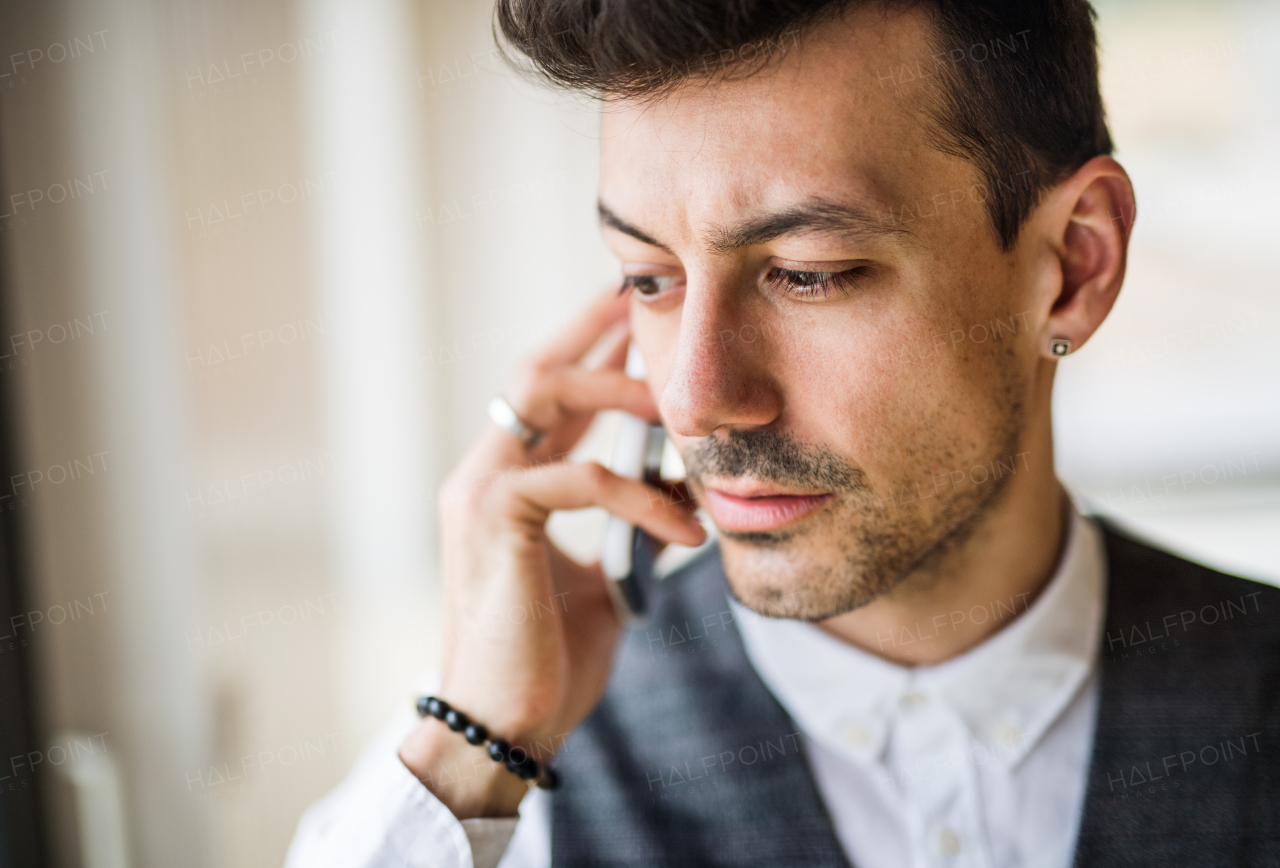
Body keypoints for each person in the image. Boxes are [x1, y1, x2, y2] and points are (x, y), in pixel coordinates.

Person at [285, 1, 1280, 865]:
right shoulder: (509, 779)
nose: (696, 397)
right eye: (648, 277)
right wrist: (472, 743)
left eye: (808, 271)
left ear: (1070, 265)